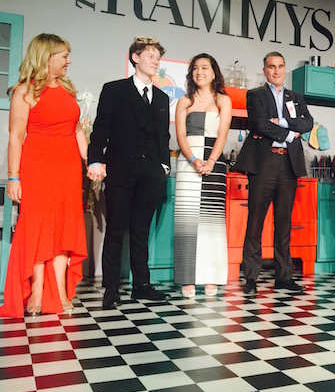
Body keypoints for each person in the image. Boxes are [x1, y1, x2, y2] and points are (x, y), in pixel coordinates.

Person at [0, 33, 88, 317]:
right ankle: (36, 290)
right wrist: (13, 177)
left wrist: (92, 160)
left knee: (63, 228)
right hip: (38, 167)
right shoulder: (25, 91)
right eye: (64, 56)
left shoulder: (68, 89)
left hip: (68, 168)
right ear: (47, 57)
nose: (69, 61)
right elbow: (15, 137)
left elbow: (77, 131)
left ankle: (59, 289)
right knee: (37, 228)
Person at [87, 36, 171, 309]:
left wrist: (163, 164)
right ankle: (111, 289)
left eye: (158, 57)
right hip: (121, 169)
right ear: (135, 57)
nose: (156, 61)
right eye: (150, 56)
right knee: (115, 229)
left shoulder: (161, 97)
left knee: (141, 230)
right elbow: (101, 128)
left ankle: (141, 286)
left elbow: (163, 136)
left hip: (151, 172)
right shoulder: (114, 90)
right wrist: (95, 159)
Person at [235, 52, 313, 294]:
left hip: (288, 163)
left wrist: (280, 122)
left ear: (284, 69)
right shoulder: (255, 95)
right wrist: (289, 133)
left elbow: (308, 123)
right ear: (265, 70)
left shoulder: (296, 98)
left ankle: (284, 277)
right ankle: (251, 277)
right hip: (264, 162)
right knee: (255, 221)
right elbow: (259, 123)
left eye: (280, 66)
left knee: (283, 222)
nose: (276, 71)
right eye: (271, 67)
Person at [174, 53, 232, 297]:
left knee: (211, 223)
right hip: (188, 164)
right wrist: (193, 160)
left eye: (205, 68)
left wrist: (211, 161)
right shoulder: (184, 102)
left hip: (214, 164)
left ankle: (211, 277)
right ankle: (187, 278)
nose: (200, 72)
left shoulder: (223, 101)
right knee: (186, 223)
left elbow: (222, 134)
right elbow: (180, 136)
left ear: (214, 72)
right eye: (195, 68)